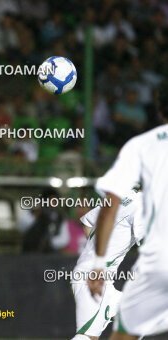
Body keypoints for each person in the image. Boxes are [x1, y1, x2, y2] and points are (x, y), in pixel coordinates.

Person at [88, 85, 168, 339]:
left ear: (158, 109)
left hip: (159, 263)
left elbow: (110, 205)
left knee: (124, 335)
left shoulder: (141, 146)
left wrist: (99, 265)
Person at [71, 188, 144, 340]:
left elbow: (87, 222)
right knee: (87, 337)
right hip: (96, 277)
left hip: (93, 274)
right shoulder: (143, 206)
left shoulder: (122, 197)